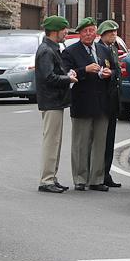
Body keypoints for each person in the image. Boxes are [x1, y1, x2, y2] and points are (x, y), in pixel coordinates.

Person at [61, 17, 115, 192]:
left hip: (102, 103)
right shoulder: (70, 52)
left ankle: (97, 178)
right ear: (80, 33)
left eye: (91, 31)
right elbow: (66, 74)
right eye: (85, 31)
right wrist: (84, 70)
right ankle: (80, 178)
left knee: (100, 143)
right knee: (81, 143)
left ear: (96, 32)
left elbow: (114, 69)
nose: (89, 34)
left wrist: (108, 73)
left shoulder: (103, 50)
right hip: (82, 103)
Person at [35, 15, 76, 193]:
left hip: (55, 101)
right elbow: (48, 77)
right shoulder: (46, 50)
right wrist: (69, 78)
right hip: (51, 101)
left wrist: (67, 74)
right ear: (55, 31)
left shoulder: (51, 48)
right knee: (51, 142)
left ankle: (52, 176)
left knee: (55, 141)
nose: (66, 32)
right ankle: (46, 180)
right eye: (64, 29)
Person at [97, 20, 123, 189]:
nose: (114, 35)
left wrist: (114, 73)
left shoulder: (113, 49)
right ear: (103, 34)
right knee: (102, 140)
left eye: (114, 32)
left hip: (113, 100)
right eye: (110, 32)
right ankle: (100, 172)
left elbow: (117, 71)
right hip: (103, 100)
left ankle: (106, 172)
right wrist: (112, 73)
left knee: (110, 139)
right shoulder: (99, 50)